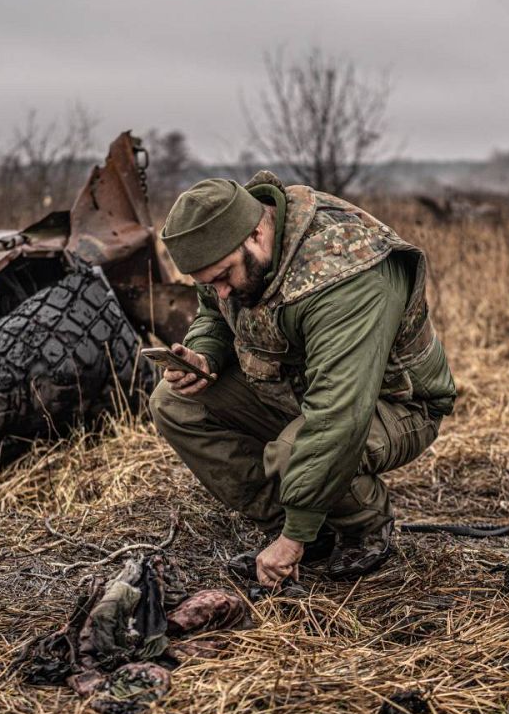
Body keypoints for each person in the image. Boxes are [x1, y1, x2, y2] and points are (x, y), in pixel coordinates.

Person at [149, 171, 456, 589]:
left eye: (223, 276)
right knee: (173, 402)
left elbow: (339, 415)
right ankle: (310, 527)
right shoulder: (237, 246)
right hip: (298, 387)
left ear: (257, 234)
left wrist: (293, 539)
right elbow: (213, 312)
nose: (220, 291)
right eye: (208, 282)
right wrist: (205, 353)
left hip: (397, 404)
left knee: (294, 451)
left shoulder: (345, 275)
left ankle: (363, 525)